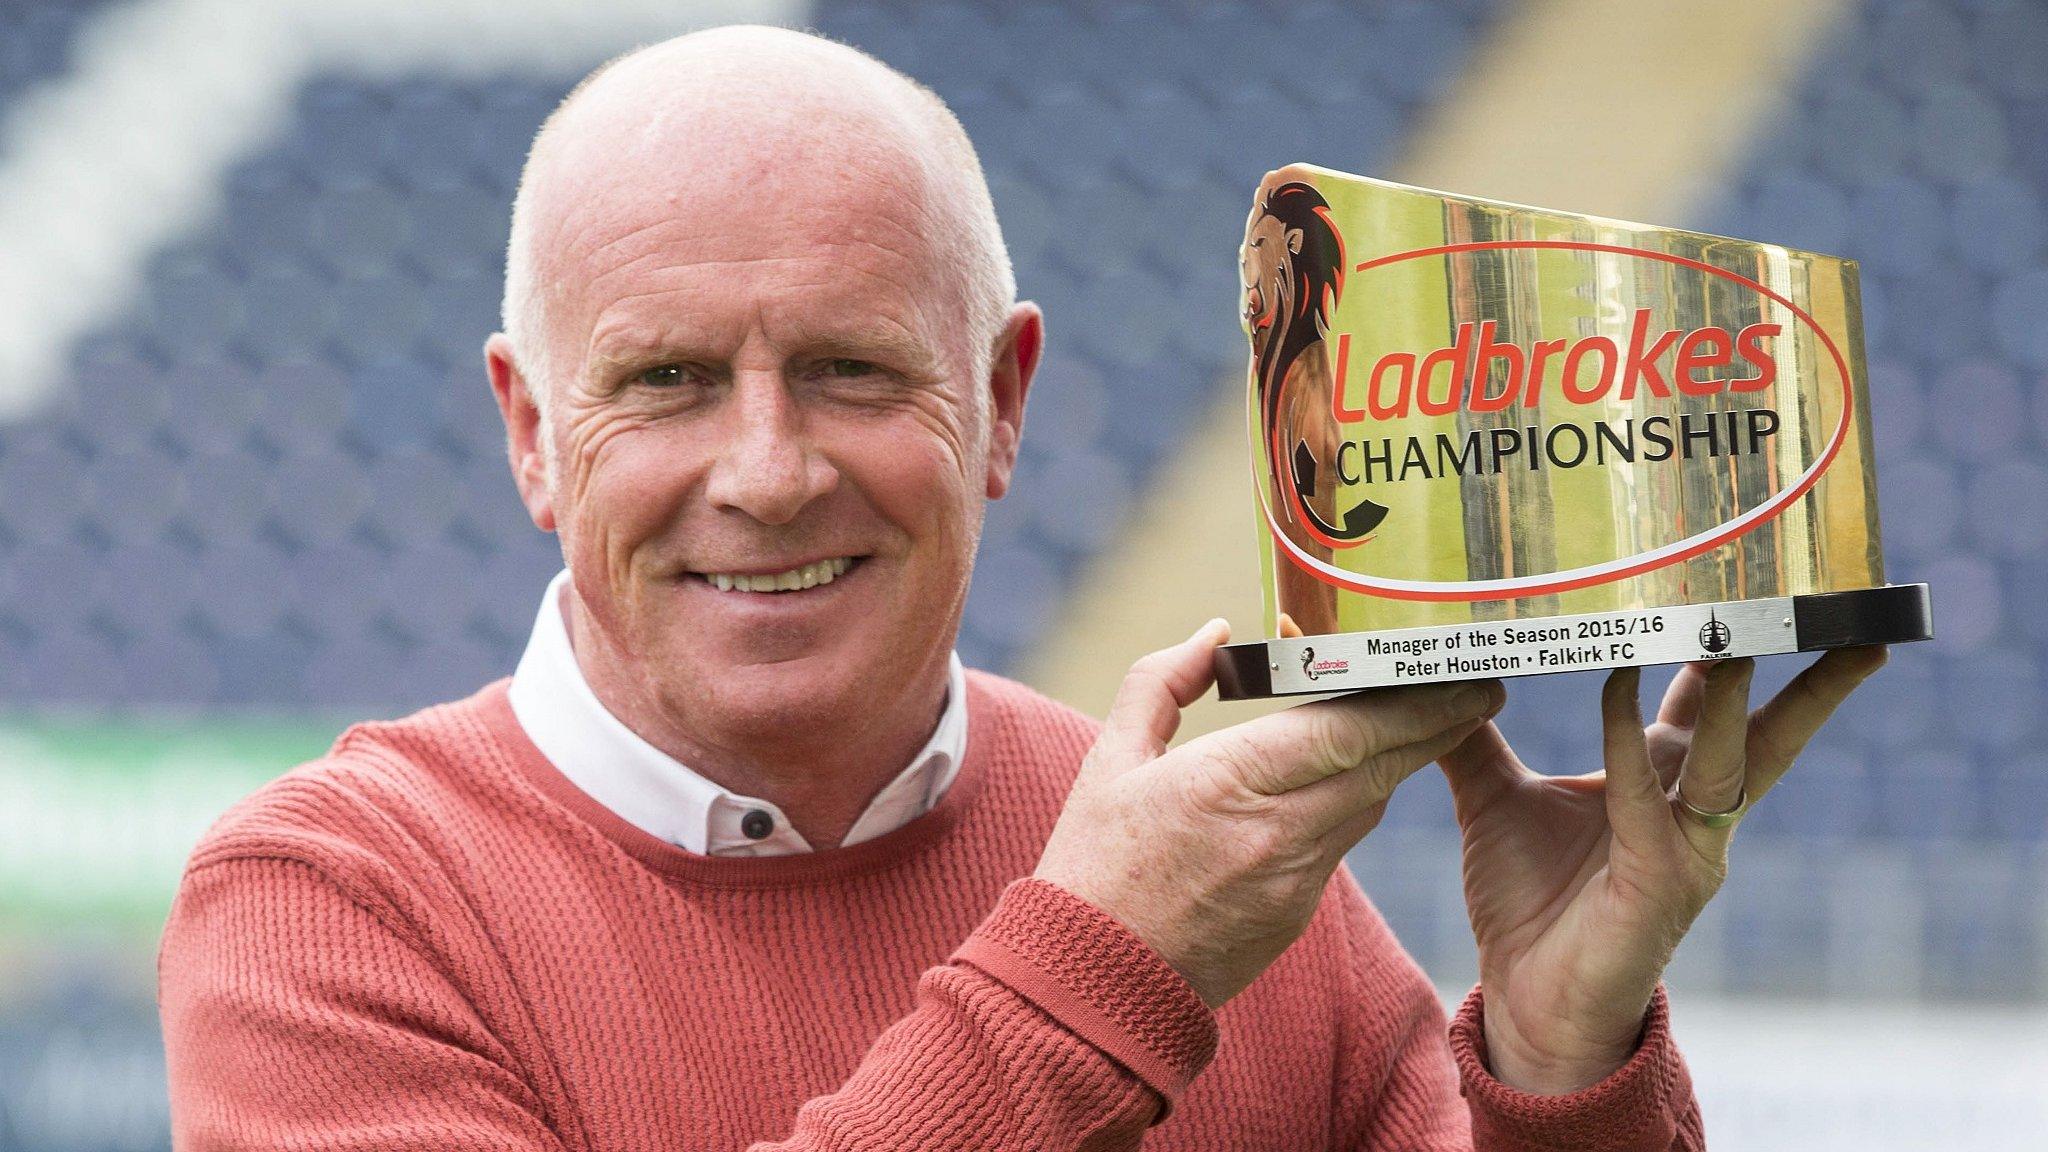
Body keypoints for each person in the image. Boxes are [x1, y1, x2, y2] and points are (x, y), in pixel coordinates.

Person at [157, 26, 1885, 1150]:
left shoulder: (1208, 867)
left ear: (1004, 403)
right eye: (669, 380)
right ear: (532, 435)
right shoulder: (324, 912)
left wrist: (1562, 1063)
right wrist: (1102, 968)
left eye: (848, 369)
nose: (766, 471)